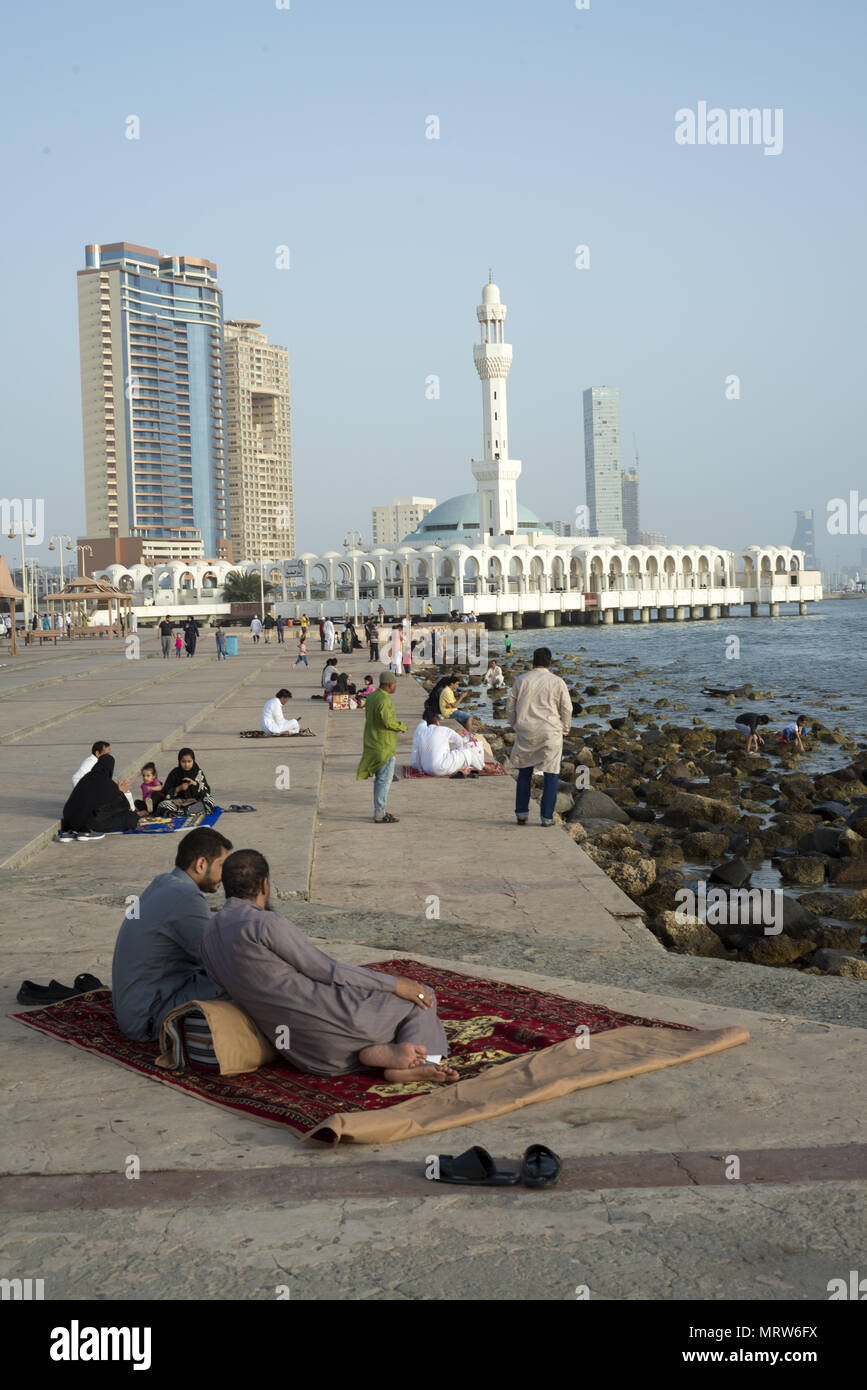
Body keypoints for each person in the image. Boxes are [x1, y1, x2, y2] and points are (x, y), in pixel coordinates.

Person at [201, 850, 457, 1082]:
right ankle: (421, 1062)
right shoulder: (264, 924)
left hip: (308, 1056)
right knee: (422, 997)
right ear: (265, 885)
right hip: (339, 1021)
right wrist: (396, 984)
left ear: (226, 886)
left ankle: (381, 1053)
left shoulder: (208, 936)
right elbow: (327, 971)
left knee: (372, 1003)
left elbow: (225, 995)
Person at [111, 827, 234, 1042]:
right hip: (148, 1020)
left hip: (136, 1009)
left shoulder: (164, 883)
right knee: (243, 979)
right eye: (222, 866)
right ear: (201, 864)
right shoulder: (186, 898)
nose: (225, 875)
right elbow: (219, 962)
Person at [506, 647, 572, 827]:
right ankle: (546, 817)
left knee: (525, 771)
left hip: (526, 730)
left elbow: (510, 707)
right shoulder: (557, 682)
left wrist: (516, 725)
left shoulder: (521, 680)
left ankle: (521, 813)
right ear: (550, 663)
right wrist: (564, 728)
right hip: (550, 731)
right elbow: (567, 708)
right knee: (551, 773)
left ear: (532, 662)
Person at [356, 672, 406, 823]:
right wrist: (401, 726)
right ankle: (380, 813)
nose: (395, 686)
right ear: (390, 684)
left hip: (372, 741)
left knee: (380, 779)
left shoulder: (372, 696)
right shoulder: (385, 700)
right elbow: (387, 722)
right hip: (384, 745)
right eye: (395, 684)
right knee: (384, 780)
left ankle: (380, 810)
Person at [59, 753, 140, 840]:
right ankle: (87, 832)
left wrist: (117, 790)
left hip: (70, 820)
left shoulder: (86, 778)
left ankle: (79, 831)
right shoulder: (108, 784)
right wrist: (121, 792)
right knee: (131, 817)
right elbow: (125, 807)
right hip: (90, 823)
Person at [410, 704, 487, 778]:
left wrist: (421, 769)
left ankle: (458, 768)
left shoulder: (422, 734)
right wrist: (460, 754)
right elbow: (459, 740)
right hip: (439, 768)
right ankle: (484, 767)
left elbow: (417, 756)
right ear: (437, 722)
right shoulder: (444, 729)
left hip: (426, 769)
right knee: (468, 753)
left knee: (449, 755)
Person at [156, 747, 216, 816]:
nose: (186, 765)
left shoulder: (198, 772)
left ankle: (180, 813)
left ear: (193, 760)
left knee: (209, 799)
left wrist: (195, 784)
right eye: (183, 762)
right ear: (179, 761)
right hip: (179, 804)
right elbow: (166, 792)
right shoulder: (175, 773)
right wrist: (178, 788)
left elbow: (206, 791)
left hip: (195, 803)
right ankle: (185, 812)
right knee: (163, 804)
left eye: (189, 761)